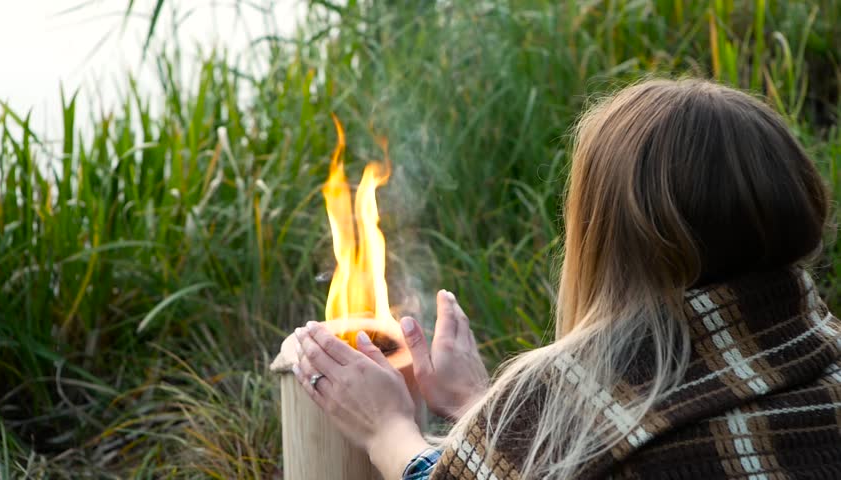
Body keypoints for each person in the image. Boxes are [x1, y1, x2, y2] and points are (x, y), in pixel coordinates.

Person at [290, 78, 841, 479]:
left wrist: (388, 431)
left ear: (602, 242)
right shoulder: (821, 359)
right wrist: (476, 407)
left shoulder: (572, 391)